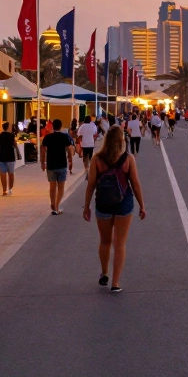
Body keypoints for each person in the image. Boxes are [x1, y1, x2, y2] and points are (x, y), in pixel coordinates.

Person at [83, 125, 145, 293]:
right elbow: (136, 184)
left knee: (105, 241)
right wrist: (142, 205)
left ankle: (105, 273)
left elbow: (91, 185)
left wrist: (87, 206)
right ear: (121, 140)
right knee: (120, 243)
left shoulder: (97, 159)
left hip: (103, 203)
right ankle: (116, 283)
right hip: (123, 203)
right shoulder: (128, 158)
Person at [41, 119, 74, 215]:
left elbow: (43, 151)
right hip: (62, 164)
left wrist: (43, 163)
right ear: (61, 126)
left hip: (51, 165)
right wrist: (70, 161)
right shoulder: (64, 137)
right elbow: (69, 150)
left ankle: (52, 203)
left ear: (52, 126)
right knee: (61, 188)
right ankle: (56, 206)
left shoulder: (47, 137)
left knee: (52, 186)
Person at [0, 122, 19, 195]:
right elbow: (15, 145)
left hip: (1, 156)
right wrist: (19, 154)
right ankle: (10, 189)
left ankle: (4, 190)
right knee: (11, 174)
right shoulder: (11, 136)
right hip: (10, 156)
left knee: (2, 173)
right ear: (8, 127)